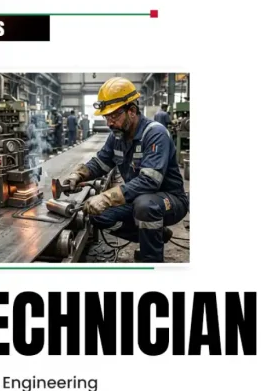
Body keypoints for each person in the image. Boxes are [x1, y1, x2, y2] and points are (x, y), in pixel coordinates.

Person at [61, 78, 188, 263]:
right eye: (107, 117)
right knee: (96, 215)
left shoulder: (154, 133)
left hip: (170, 199)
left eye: (114, 116)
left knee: (145, 206)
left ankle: (151, 261)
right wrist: (79, 174)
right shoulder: (117, 136)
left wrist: (106, 197)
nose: (110, 123)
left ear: (132, 111)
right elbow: (101, 162)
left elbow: (149, 182)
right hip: (137, 198)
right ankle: (154, 234)